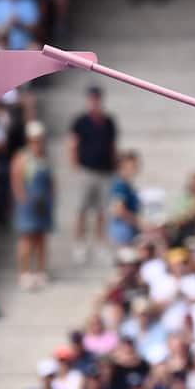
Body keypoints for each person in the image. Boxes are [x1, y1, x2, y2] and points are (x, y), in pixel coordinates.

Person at [69, 86, 117, 264]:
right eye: (92, 99)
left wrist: (114, 165)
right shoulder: (81, 121)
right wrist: (75, 166)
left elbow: (112, 145)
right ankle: (79, 243)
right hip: (87, 170)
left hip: (105, 171)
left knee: (102, 210)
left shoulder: (108, 121)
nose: (95, 102)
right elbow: (72, 144)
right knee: (82, 208)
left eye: (97, 99)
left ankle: (100, 243)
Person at [11, 120, 54, 291]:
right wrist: (24, 201)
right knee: (26, 239)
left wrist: (50, 198)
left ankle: (40, 271)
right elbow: (17, 182)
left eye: (40, 139)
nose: (38, 142)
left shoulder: (44, 158)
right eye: (35, 139)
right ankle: (24, 272)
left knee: (41, 238)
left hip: (43, 203)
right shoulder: (22, 158)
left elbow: (50, 181)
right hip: (28, 205)